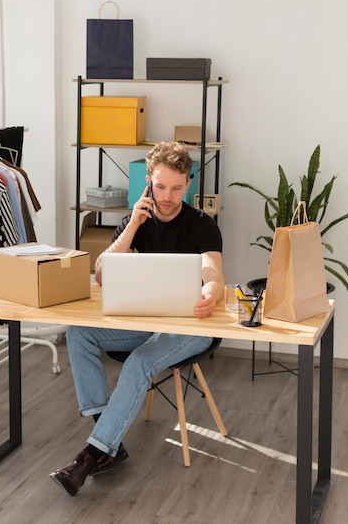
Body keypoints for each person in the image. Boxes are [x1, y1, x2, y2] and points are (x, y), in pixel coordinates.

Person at [49, 141, 225, 497]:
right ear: (148, 181)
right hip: (146, 320)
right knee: (80, 332)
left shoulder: (201, 224)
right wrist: (132, 225)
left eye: (177, 188)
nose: (167, 195)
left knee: (140, 362)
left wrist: (210, 293)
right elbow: (101, 274)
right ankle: (108, 440)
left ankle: (92, 455)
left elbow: (212, 270)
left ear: (188, 184)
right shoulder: (137, 220)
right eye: (160, 186)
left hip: (192, 325)